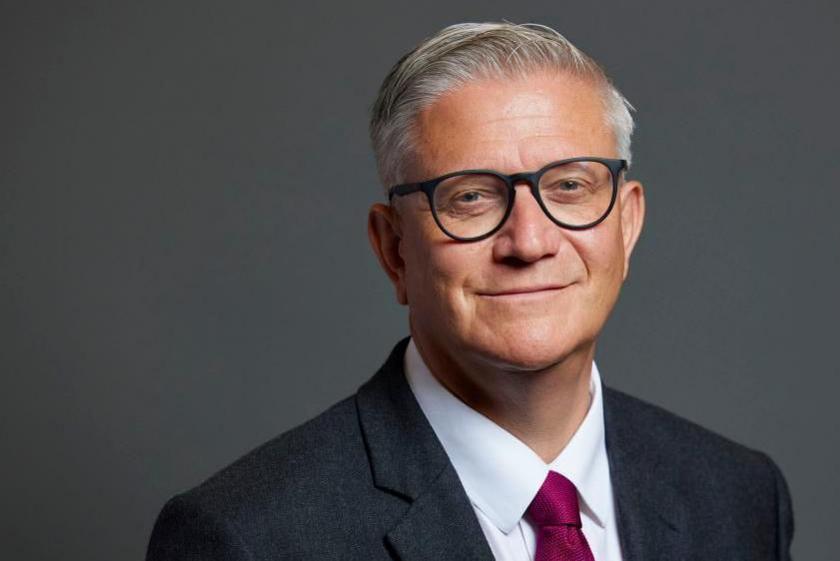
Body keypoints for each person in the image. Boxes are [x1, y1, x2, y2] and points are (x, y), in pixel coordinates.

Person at [147, 22, 793, 561]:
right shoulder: (247, 538)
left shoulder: (736, 498)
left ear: (625, 224)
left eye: (569, 186)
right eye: (471, 196)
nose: (529, 241)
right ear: (393, 247)